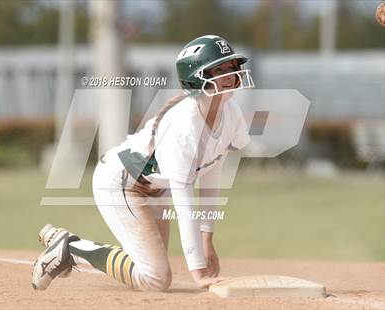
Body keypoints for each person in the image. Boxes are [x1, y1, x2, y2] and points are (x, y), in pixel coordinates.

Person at [32, 35, 254, 292]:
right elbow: (184, 202)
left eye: (231, 67)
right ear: (196, 76)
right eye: (219, 69)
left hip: (155, 190)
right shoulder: (184, 124)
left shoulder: (232, 114)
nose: (230, 74)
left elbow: (212, 172)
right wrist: (199, 272)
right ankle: (70, 247)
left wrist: (207, 238)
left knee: (149, 269)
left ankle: (69, 248)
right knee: (156, 279)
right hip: (122, 182)